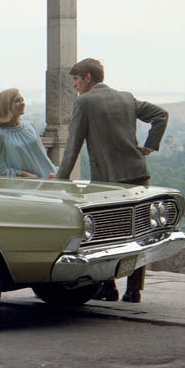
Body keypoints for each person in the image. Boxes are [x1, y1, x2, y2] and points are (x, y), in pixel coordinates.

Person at [56, 58, 168, 303]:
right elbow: (161, 115)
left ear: (88, 78)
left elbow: (73, 145)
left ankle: (108, 288)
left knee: (107, 235)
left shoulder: (84, 102)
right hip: (137, 173)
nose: (74, 85)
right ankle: (134, 290)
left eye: (76, 79)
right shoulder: (126, 97)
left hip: (108, 180)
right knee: (139, 233)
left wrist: (61, 179)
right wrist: (149, 146)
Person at [0, 89, 57, 179]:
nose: (22, 103)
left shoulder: (30, 127)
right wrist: (22, 174)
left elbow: (42, 155)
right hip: (26, 187)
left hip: (49, 179)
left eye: (22, 100)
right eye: (17, 101)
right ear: (6, 106)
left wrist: (54, 172)